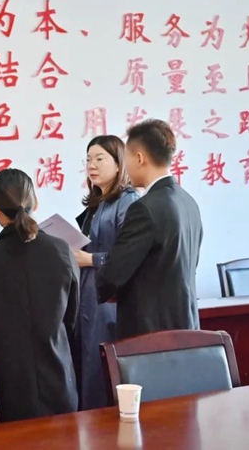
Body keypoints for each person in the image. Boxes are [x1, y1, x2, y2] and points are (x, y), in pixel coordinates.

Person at [0, 168, 79, 423]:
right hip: (58, 375)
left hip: (4, 383)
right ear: (34, 202)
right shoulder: (61, 250)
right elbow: (71, 317)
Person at [96, 119, 203, 340]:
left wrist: (101, 286)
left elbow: (114, 273)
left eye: (126, 158)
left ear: (139, 158)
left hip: (151, 332)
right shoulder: (188, 202)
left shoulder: (144, 208)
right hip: (186, 325)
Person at [72, 135, 139, 410]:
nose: (92, 165)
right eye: (88, 160)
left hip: (110, 298)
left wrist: (91, 259)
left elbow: (130, 255)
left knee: (102, 362)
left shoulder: (128, 201)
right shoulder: (96, 203)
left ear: (119, 163)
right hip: (87, 293)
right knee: (87, 360)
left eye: (100, 159)